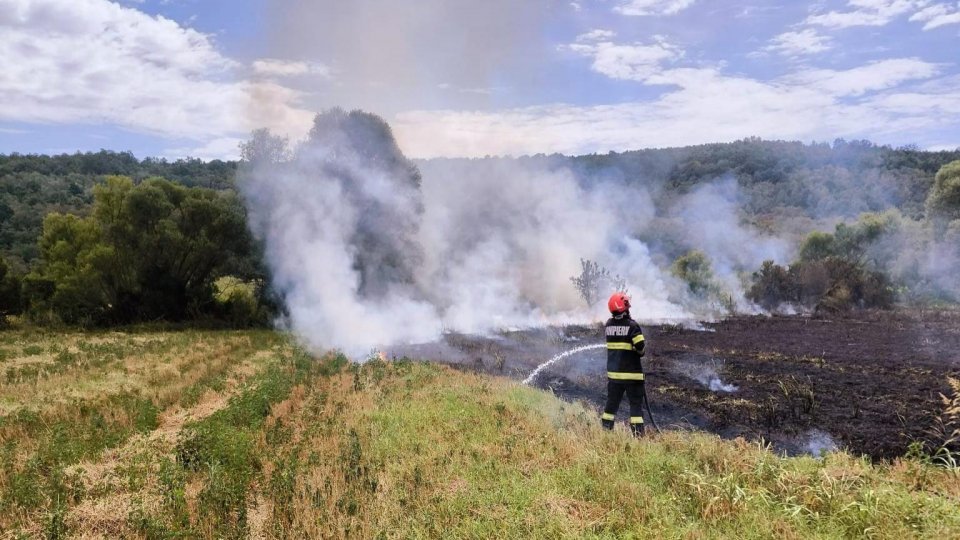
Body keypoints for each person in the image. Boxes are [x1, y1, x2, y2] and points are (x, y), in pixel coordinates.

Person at [601, 291, 647, 436]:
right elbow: (640, 347)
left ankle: (605, 433)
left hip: (614, 377)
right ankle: (638, 437)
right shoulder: (632, 326)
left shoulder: (608, 325)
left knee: (611, 406)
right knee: (635, 409)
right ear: (624, 307)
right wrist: (638, 351)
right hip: (632, 376)